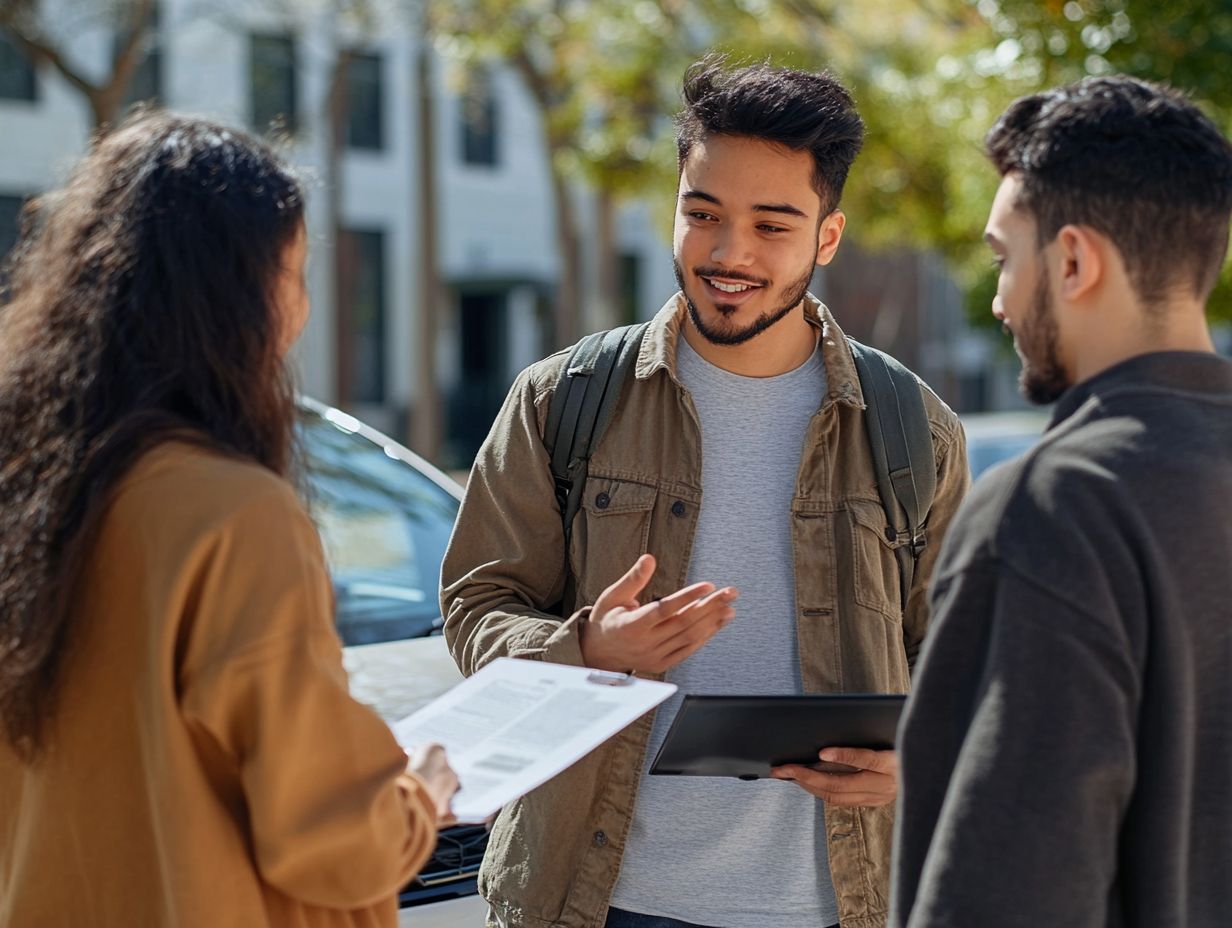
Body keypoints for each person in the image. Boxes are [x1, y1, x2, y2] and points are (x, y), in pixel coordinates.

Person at [441, 58, 969, 928]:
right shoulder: (563, 398)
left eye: (773, 224)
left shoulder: (915, 429)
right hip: (594, 899)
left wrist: (922, 752)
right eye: (704, 215)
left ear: (827, 237)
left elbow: (963, 663)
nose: (731, 253)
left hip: (843, 904)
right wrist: (586, 648)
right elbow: (475, 605)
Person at [0, 111, 459, 927]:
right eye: (297, 272)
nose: (303, 308)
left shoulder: (31, 489)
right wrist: (420, 792)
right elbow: (331, 837)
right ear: (240, 294)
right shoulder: (233, 515)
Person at [890, 76, 1232, 927]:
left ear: (1074, 261)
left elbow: (1004, 897)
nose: (1000, 299)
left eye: (1006, 257)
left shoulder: (1054, 510)